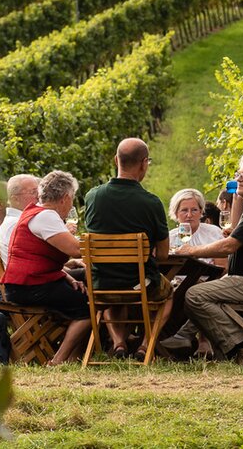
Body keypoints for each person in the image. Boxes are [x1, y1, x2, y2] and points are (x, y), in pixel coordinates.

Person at [162, 149, 243, 363]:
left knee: (195, 295)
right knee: (202, 293)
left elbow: (228, 247)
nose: (238, 178)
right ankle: (188, 337)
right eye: (238, 173)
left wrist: (190, 251)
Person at [82, 138, 172, 357]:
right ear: (144, 163)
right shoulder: (151, 202)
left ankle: (119, 342)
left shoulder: (92, 196)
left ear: (116, 160)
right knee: (168, 293)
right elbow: (162, 254)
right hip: (140, 284)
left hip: (101, 284)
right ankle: (145, 344)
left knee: (112, 289)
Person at [0, 170, 91, 366]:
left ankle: (76, 357)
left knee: (83, 283)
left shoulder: (36, 212)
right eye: (72, 199)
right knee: (88, 307)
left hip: (26, 283)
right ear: (66, 198)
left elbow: (40, 259)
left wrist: (68, 277)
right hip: (29, 287)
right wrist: (111, 245)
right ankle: (59, 360)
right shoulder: (47, 217)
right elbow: (75, 250)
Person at [167, 188, 227, 270]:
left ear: (201, 212)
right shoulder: (170, 238)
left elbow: (223, 268)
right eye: (184, 210)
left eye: (194, 210)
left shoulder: (213, 232)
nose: (189, 215)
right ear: (176, 213)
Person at [0, 172, 40, 265]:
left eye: (38, 191)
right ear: (15, 199)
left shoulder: (18, 220)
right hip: (32, 278)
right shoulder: (17, 224)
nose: (38, 196)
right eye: (33, 192)